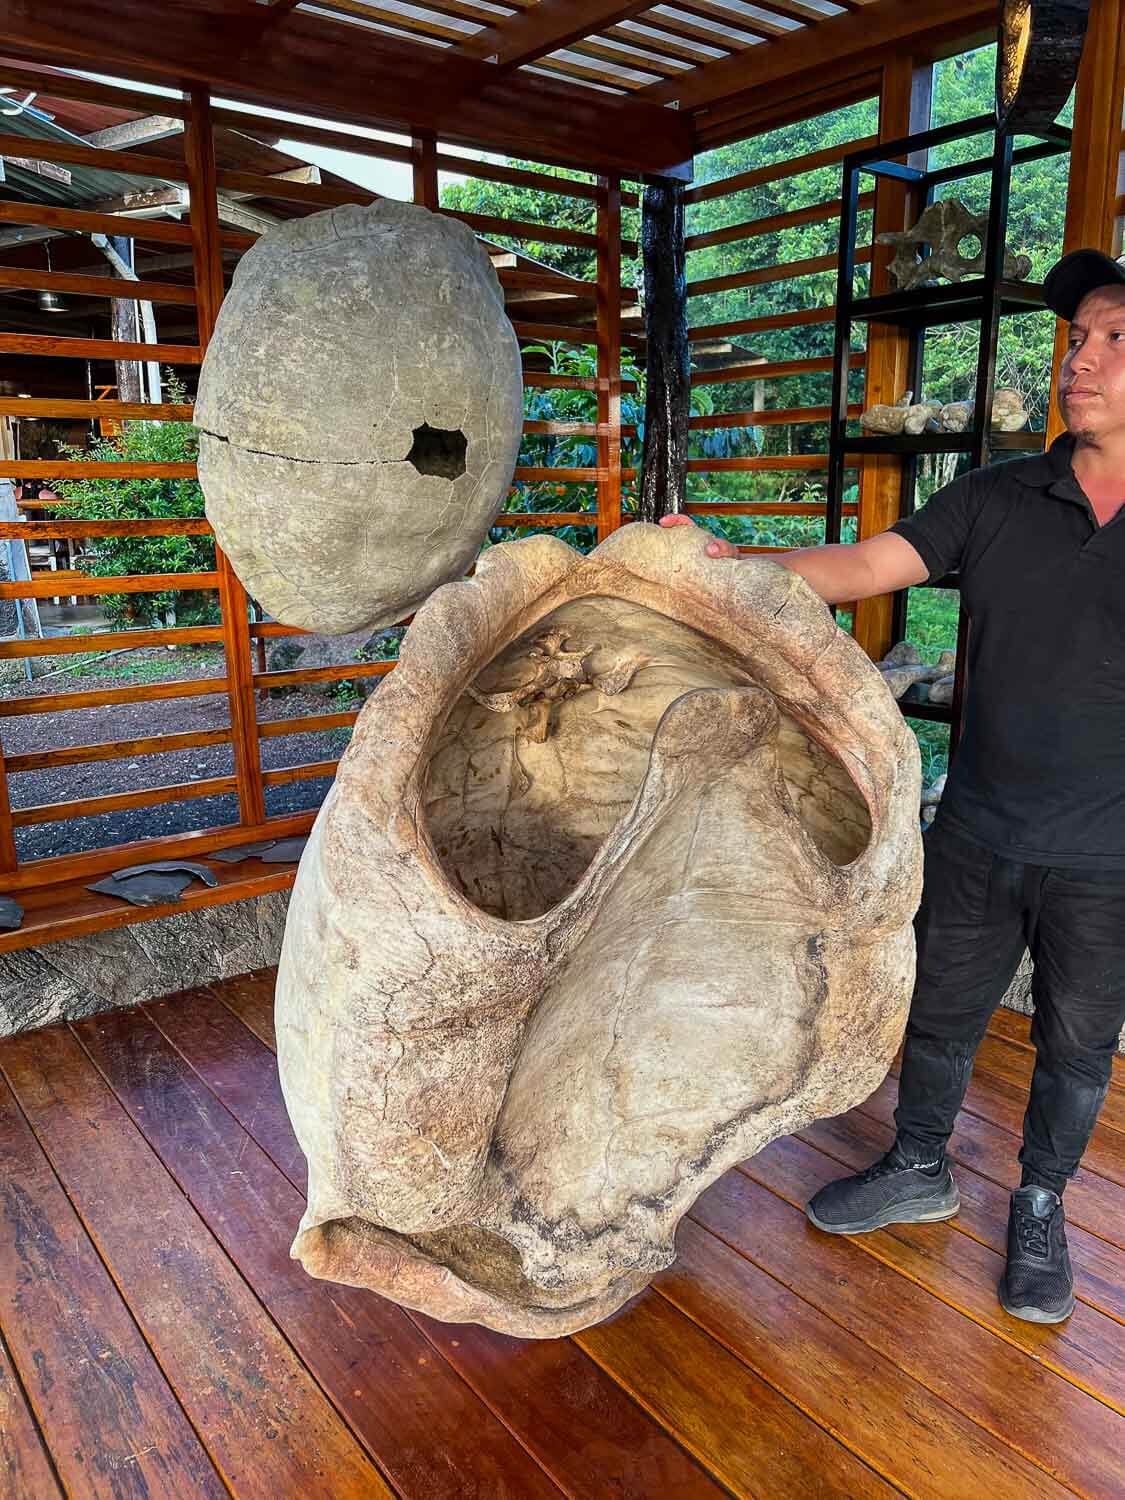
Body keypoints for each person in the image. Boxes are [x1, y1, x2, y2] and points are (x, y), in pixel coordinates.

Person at [661, 248, 1125, 1325]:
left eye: (1112, 342)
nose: (1079, 361)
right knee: (943, 1014)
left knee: (1076, 1042)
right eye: (1075, 339)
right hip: (979, 825)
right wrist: (730, 560)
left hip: (1108, 851)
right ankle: (920, 1164)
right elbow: (867, 566)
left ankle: (1043, 1202)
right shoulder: (1001, 496)